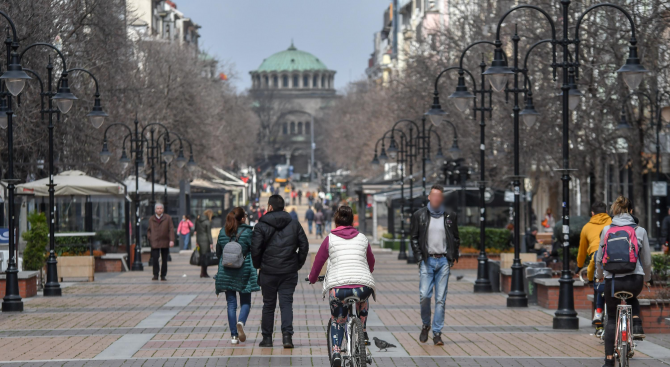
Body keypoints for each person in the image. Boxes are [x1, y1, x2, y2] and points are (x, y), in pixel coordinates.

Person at [309, 206, 375, 367]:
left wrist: (312, 278)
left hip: (339, 289)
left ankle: (337, 352)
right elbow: (371, 262)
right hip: (362, 285)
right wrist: (366, 272)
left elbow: (318, 262)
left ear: (336, 221)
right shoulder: (362, 238)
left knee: (338, 320)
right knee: (363, 300)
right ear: (352, 221)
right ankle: (363, 331)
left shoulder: (330, 239)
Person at [595, 196, 652, 367]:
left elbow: (599, 259)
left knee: (612, 318)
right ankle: (636, 323)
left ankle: (609, 360)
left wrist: (600, 276)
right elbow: (647, 261)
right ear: (631, 211)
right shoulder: (640, 230)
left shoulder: (606, 230)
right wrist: (647, 279)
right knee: (632, 297)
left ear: (614, 211)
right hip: (634, 279)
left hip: (612, 281)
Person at [251, 195, 309, 348]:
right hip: (288, 271)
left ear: (269, 207)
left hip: (268, 271)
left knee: (268, 305)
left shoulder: (260, 226)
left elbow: (255, 249)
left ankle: (267, 338)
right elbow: (304, 246)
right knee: (286, 303)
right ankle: (287, 337)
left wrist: (259, 265)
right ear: (283, 207)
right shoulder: (294, 224)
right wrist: (297, 263)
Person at [410, 184, 459, 346]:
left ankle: (437, 333)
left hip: (443, 261)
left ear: (442, 199)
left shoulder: (450, 215)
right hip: (427, 260)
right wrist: (419, 257)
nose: (437, 199)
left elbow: (455, 238)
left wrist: (452, 257)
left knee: (440, 299)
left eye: (440, 196)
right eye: (434, 196)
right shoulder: (419, 215)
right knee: (425, 295)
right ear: (429, 197)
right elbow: (414, 238)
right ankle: (426, 325)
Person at [215, 207, 259, 345]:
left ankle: (234, 336)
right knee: (245, 301)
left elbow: (218, 251)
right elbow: (254, 249)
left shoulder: (223, 231)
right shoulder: (248, 232)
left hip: (227, 270)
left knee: (231, 304)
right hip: (243, 271)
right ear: (242, 218)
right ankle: (241, 321)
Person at [576, 201, 612, 325]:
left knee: (598, 284)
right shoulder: (612, 223)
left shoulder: (586, 227)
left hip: (596, 258)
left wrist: (579, 265)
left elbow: (582, 250)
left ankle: (598, 312)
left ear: (592, 213)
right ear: (606, 212)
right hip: (612, 256)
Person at [146, 202, 174, 281]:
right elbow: (149, 230)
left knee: (164, 259)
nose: (159, 210)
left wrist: (171, 240)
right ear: (155, 210)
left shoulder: (168, 218)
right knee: (155, 258)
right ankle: (155, 274)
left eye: (160, 208)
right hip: (154, 241)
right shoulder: (151, 219)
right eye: (158, 208)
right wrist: (150, 237)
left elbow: (171, 229)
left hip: (165, 241)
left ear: (163, 209)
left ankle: (163, 275)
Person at [195, 209, 214, 278]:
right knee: (206, 257)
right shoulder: (207, 222)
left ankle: (202, 272)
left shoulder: (198, 221)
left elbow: (197, 232)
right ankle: (204, 273)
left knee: (202, 257)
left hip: (200, 240)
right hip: (205, 241)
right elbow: (209, 234)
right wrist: (211, 243)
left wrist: (197, 241)